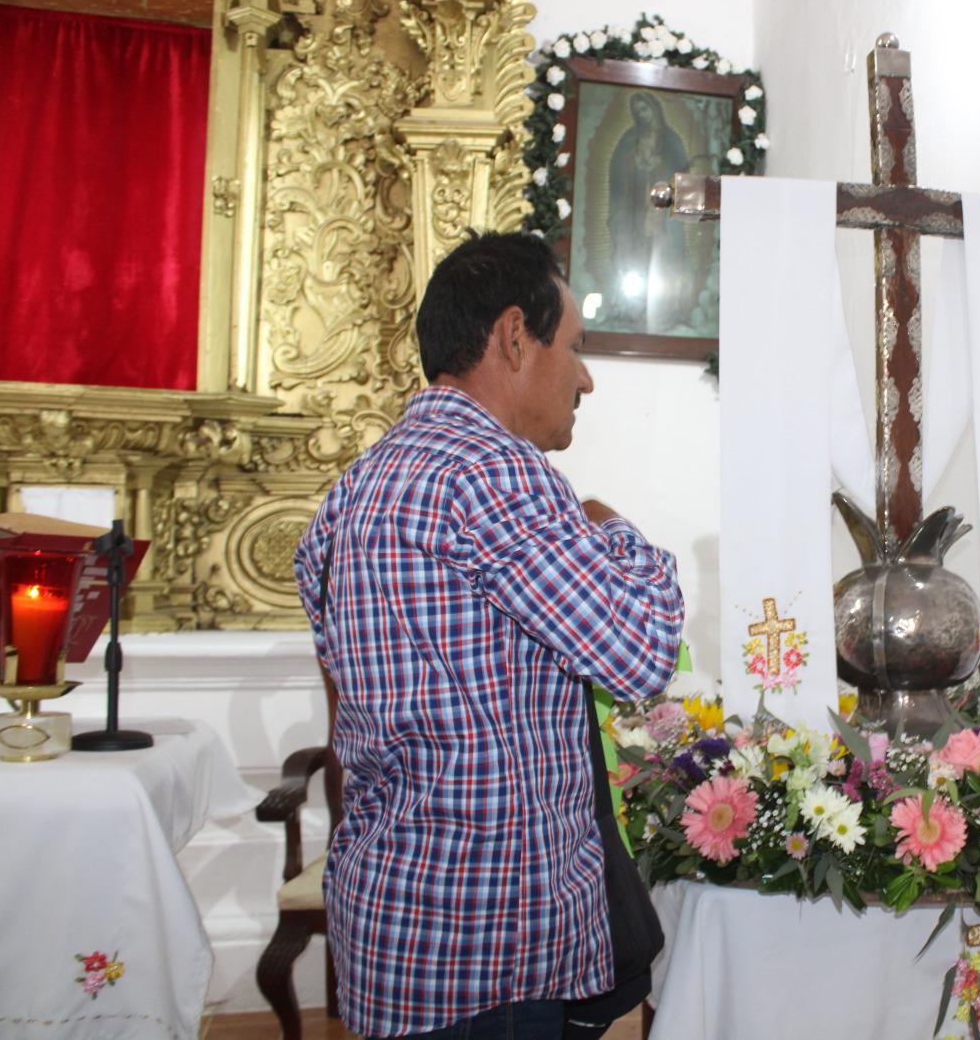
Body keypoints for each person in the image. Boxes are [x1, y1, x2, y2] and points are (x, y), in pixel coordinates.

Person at [293, 231, 685, 1040]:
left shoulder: (353, 491)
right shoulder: (493, 472)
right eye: (572, 346)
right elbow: (641, 656)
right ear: (514, 336)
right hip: (491, 950)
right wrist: (615, 532)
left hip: (393, 932)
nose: (585, 377)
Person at [606, 90, 693, 332]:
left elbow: (683, 179)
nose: (644, 115)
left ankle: (667, 311)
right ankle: (634, 311)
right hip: (637, 211)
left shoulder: (672, 140)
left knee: (666, 257)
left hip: (664, 215)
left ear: (655, 108)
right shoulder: (630, 139)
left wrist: (660, 171)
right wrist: (639, 168)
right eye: (638, 111)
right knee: (637, 254)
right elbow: (619, 176)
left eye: (646, 108)